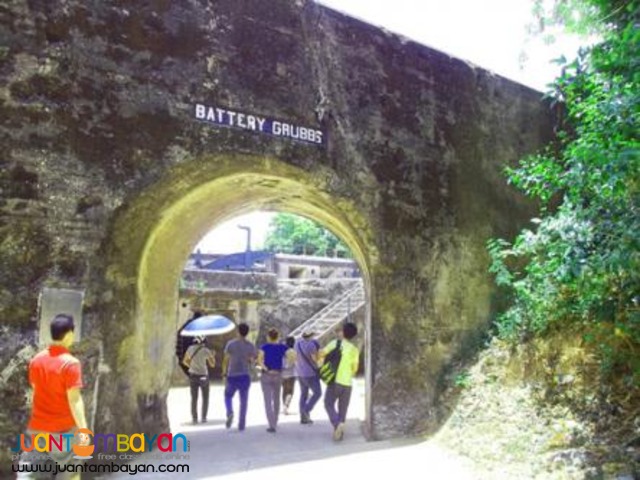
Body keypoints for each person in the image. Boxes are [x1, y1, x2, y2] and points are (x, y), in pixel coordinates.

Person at [18, 314, 89, 480]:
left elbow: (36, 392)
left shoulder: (36, 360)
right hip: (64, 430)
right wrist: (84, 430)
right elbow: (74, 399)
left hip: (37, 428)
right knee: (71, 470)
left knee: (30, 472)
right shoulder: (70, 364)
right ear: (69, 334)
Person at [322, 322, 359, 441]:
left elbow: (322, 353)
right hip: (347, 384)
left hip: (335, 381)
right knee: (343, 409)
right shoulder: (354, 349)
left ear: (343, 332)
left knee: (328, 403)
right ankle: (339, 432)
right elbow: (355, 369)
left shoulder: (335, 343)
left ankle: (337, 424)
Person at [222, 323, 256, 431]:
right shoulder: (250, 346)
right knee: (244, 401)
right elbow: (252, 361)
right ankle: (241, 425)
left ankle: (230, 411)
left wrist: (224, 373)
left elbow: (226, 360)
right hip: (245, 375)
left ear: (238, 331)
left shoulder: (230, 344)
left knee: (227, 396)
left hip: (232, 375)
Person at [257, 328, 288, 433]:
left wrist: (265, 367)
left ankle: (271, 424)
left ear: (268, 337)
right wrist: (286, 366)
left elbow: (259, 360)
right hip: (278, 374)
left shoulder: (264, 347)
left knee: (267, 400)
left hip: (267, 374)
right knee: (276, 398)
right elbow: (293, 354)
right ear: (278, 336)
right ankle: (275, 420)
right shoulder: (282, 347)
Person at [182, 335, 215, 424]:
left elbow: (185, 361)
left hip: (193, 375)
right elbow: (212, 365)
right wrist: (212, 356)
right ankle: (203, 417)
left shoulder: (190, 349)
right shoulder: (206, 350)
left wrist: (192, 366)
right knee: (205, 397)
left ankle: (194, 418)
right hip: (203, 375)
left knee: (194, 398)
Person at [295, 330, 322, 424]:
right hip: (310, 373)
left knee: (303, 394)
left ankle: (303, 418)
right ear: (311, 335)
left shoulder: (297, 343)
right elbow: (315, 359)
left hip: (300, 372)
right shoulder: (311, 345)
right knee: (318, 393)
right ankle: (306, 410)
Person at [281, 336, 297, 415]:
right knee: (290, 391)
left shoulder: (282, 350)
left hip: (282, 374)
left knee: (284, 390)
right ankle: (286, 406)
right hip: (291, 374)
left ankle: (284, 405)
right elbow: (295, 363)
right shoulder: (293, 351)